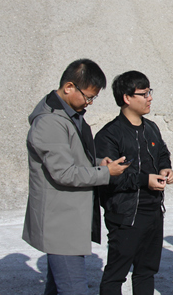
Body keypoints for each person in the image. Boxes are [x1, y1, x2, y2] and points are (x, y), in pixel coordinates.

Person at [23, 59, 129, 295]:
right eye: (88, 97)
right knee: (74, 289)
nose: (89, 103)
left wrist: (98, 163)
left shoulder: (68, 114)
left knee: (57, 287)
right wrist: (105, 173)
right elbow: (64, 172)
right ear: (69, 87)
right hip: (61, 221)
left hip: (69, 218)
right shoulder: (50, 122)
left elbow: (72, 158)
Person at [94, 70, 173, 294]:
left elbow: (162, 153)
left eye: (150, 92)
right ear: (127, 98)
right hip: (126, 215)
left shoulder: (151, 127)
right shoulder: (108, 135)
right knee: (116, 274)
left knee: (146, 271)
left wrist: (165, 168)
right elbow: (108, 177)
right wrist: (145, 180)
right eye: (144, 93)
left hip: (153, 211)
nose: (150, 98)